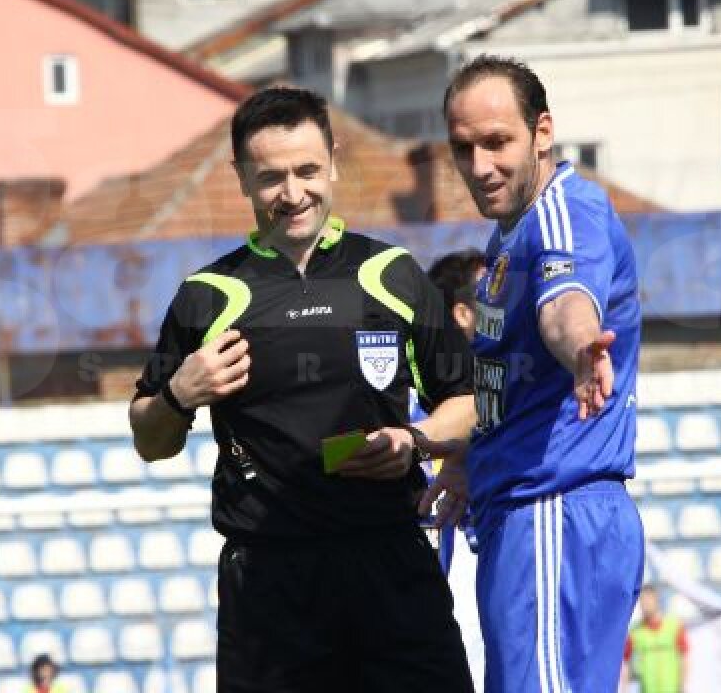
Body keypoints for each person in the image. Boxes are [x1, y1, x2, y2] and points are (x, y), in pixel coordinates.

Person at [129, 86, 476, 693]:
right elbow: (150, 440)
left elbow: (468, 403)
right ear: (241, 178)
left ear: (334, 162)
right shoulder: (208, 294)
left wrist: (414, 440)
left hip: (389, 562)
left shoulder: (391, 275)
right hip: (269, 581)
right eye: (270, 178)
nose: (293, 194)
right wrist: (178, 395)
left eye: (307, 171)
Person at [427, 56, 644, 693]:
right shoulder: (508, 237)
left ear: (541, 132)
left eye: (498, 143)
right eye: (464, 149)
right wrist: (472, 455)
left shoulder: (561, 215)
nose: (480, 166)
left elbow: (565, 306)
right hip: (532, 513)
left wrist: (582, 350)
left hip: (552, 513)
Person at [423, 249, 487, 687]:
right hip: (431, 604)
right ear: (462, 313)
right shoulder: (408, 405)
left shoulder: (515, 393)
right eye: (493, 295)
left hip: (486, 585)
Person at [622, 585, 688, 693]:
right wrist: (624, 688)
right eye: (642, 601)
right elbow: (625, 662)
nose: (645, 604)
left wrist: (684, 686)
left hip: (672, 689)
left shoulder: (674, 626)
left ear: (656, 600)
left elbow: (685, 657)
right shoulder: (635, 631)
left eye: (648, 600)